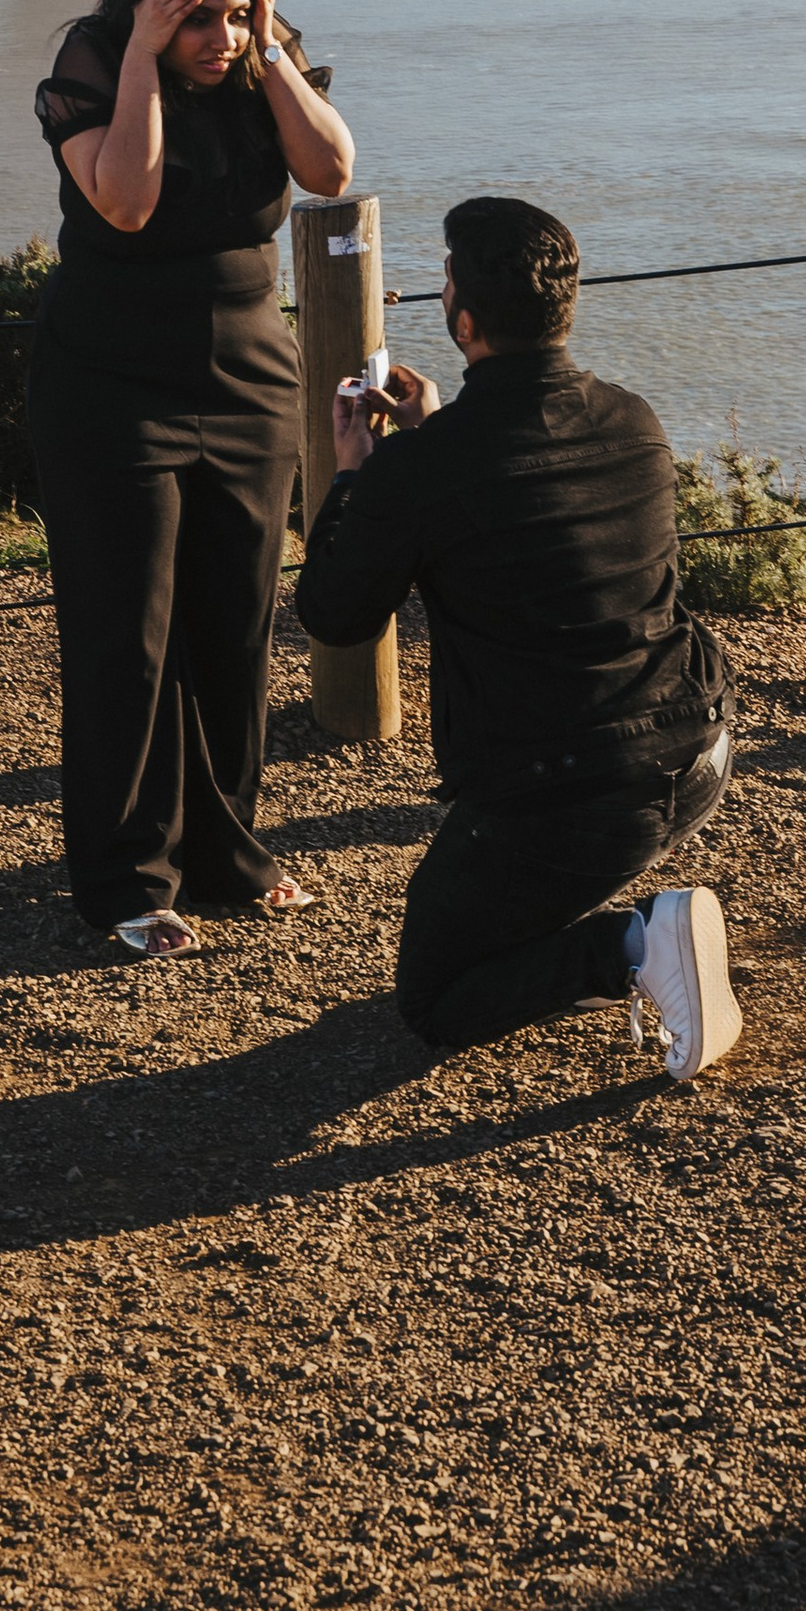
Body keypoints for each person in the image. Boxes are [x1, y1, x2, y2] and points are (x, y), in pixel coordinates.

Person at [296, 195, 741, 1079]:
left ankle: (636, 942)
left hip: (567, 800)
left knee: (436, 1001)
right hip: (698, 751)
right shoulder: (632, 419)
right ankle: (616, 933)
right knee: (488, 927)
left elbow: (335, 615)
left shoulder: (426, 470)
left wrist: (353, 478)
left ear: (461, 317)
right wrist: (430, 439)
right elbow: (532, 520)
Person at [26, 0, 356, 957]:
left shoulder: (261, 51)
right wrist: (136, 59)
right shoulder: (93, 57)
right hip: (111, 374)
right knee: (129, 636)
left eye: (231, 13)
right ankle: (130, 883)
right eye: (196, 19)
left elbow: (330, 171)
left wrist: (267, 52)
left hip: (248, 368)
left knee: (233, 623)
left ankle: (228, 858)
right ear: (152, 10)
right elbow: (124, 203)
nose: (217, 36)